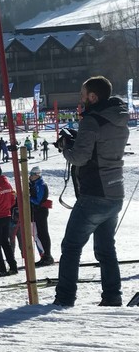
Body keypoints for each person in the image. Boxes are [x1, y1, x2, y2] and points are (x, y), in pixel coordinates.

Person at [54, 76, 129, 307]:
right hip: (115, 191)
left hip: (94, 193)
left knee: (71, 246)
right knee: (106, 249)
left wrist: (66, 147)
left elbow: (80, 157)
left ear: (93, 97)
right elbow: (100, 146)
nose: (81, 99)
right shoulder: (117, 117)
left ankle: (65, 298)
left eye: (82, 95)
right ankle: (112, 297)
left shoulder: (91, 120)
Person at [29, 166, 54, 267]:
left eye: (31, 175)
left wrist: (28, 197)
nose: (30, 177)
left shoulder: (41, 185)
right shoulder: (35, 184)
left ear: (37, 175)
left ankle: (46, 256)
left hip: (41, 211)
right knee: (38, 233)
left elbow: (38, 200)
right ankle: (44, 255)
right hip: (36, 211)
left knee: (42, 233)